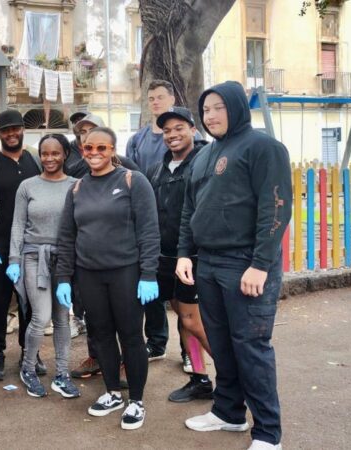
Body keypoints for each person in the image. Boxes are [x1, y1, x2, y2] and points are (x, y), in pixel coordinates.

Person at [177, 81, 291, 450]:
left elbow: (275, 207)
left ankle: (268, 433)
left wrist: (260, 264)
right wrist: (184, 253)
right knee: (222, 344)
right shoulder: (205, 155)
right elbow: (190, 210)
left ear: (237, 107)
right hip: (208, 263)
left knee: (251, 347)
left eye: (218, 108)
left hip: (246, 263)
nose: (210, 116)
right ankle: (228, 412)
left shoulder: (263, 147)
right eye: (206, 110)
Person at [55, 126, 160, 430]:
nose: (95, 154)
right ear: (82, 150)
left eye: (102, 148)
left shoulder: (132, 180)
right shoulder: (76, 188)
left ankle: (136, 401)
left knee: (130, 335)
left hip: (126, 272)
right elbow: (66, 236)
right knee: (100, 335)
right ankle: (112, 392)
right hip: (89, 274)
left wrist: (149, 273)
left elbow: (149, 230)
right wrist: (64, 277)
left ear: (113, 150)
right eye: (89, 148)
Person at [145, 107, 213, 402]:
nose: (172, 134)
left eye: (179, 128)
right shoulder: (159, 168)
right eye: (167, 130)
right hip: (166, 257)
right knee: (185, 320)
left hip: (195, 257)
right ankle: (200, 378)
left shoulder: (206, 161)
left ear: (193, 130)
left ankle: (236, 379)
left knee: (195, 321)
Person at [7, 134, 80, 399]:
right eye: (44, 153)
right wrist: (14, 260)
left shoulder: (76, 185)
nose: (49, 158)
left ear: (65, 155)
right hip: (32, 256)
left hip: (64, 259)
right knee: (40, 316)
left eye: (55, 153)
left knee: (63, 317)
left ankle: (62, 374)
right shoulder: (27, 186)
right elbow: (17, 224)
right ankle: (28, 368)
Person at [0, 109, 43, 382]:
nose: (11, 134)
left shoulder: (35, 161)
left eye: (15, 128)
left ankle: (30, 352)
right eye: (6, 130)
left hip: (31, 243)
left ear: (22, 129)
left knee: (30, 302)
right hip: (0, 244)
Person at [126, 79, 178, 361]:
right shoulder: (138, 139)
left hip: (175, 221)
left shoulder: (181, 135)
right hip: (144, 221)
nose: (156, 102)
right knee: (151, 284)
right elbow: (131, 177)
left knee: (183, 296)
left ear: (171, 99)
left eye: (160, 97)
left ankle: (188, 353)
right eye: (151, 98)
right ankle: (157, 342)